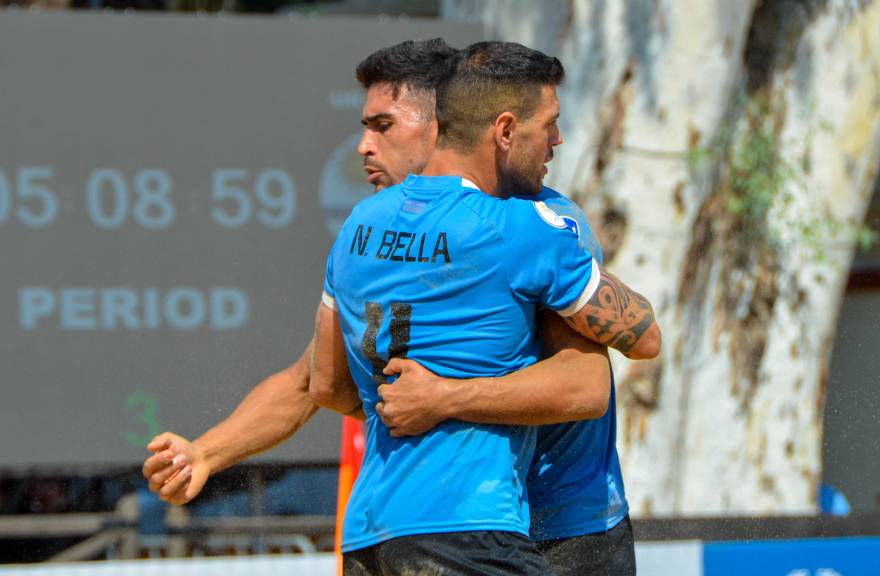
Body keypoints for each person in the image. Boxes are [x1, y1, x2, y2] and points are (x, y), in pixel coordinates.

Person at [143, 39, 656, 575]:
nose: (364, 146)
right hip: (472, 523)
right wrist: (206, 453)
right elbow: (311, 381)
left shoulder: (538, 221)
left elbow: (583, 384)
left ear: (440, 123)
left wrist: (439, 399)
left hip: (563, 524)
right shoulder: (393, 230)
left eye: (382, 126)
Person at [309, 40, 658, 575]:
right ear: (505, 130)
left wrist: (414, 408)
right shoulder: (529, 226)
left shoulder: (359, 225)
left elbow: (326, 384)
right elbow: (631, 349)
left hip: (370, 532)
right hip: (480, 526)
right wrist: (445, 400)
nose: (557, 139)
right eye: (549, 124)